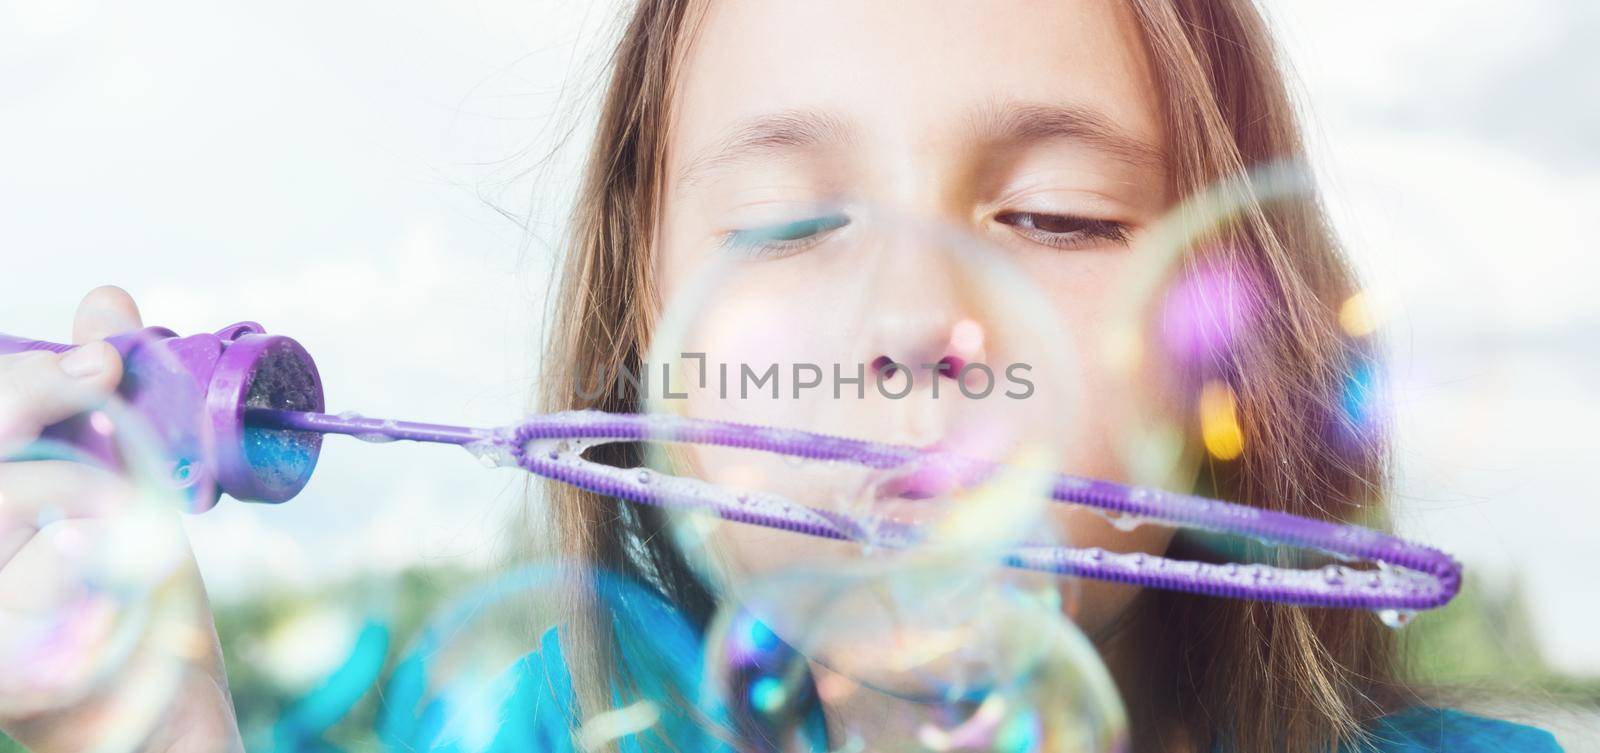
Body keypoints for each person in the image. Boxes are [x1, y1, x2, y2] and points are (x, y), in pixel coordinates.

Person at [0, 1, 1566, 751]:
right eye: (794, 224)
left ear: (1235, 331)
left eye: (1059, 216)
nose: (910, 319)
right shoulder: (531, 728)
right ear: (639, 329)